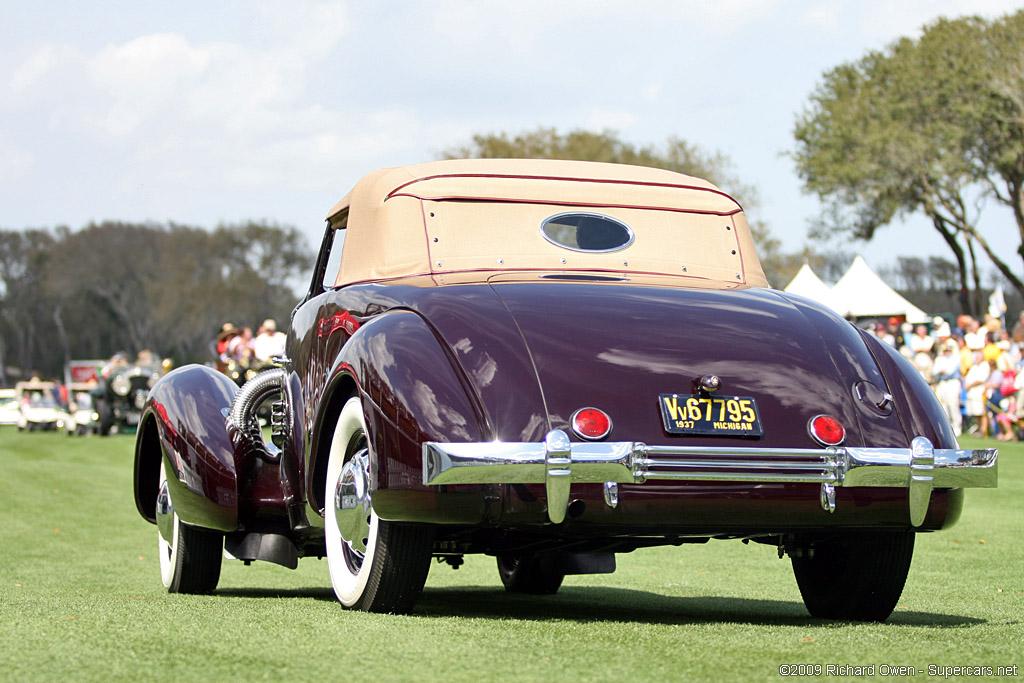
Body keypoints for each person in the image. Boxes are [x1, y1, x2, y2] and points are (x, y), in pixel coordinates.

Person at [931, 339, 962, 436]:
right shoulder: (940, 359)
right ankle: (947, 427)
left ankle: (957, 427)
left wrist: (942, 371)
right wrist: (941, 371)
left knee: (953, 404)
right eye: (945, 351)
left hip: (952, 381)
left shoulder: (955, 358)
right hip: (942, 382)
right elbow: (935, 371)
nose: (947, 352)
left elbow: (950, 371)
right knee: (943, 405)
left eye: (948, 350)